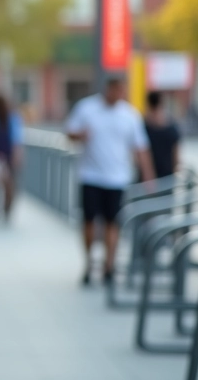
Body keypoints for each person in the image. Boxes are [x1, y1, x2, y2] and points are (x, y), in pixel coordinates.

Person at [66, 76, 155, 286]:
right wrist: (80, 135)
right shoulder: (87, 108)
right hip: (91, 175)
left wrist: (148, 175)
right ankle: (89, 263)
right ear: (107, 89)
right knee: (89, 221)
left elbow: (140, 148)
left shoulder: (129, 115)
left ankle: (109, 265)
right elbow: (69, 132)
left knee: (112, 223)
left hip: (117, 177)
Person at [144, 91, 181, 181]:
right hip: (167, 175)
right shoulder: (171, 126)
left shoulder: (143, 125)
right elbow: (176, 152)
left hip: (147, 176)